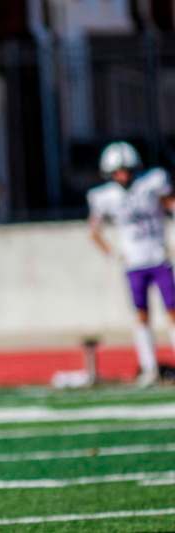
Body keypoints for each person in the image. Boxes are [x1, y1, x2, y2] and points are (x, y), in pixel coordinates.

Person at [87, 141, 175, 387]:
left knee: (172, 311)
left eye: (126, 169)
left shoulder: (152, 183)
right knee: (141, 316)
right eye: (117, 171)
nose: (123, 175)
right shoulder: (104, 196)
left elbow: (171, 203)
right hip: (134, 263)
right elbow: (93, 231)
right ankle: (149, 367)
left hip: (159, 257)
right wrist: (114, 254)